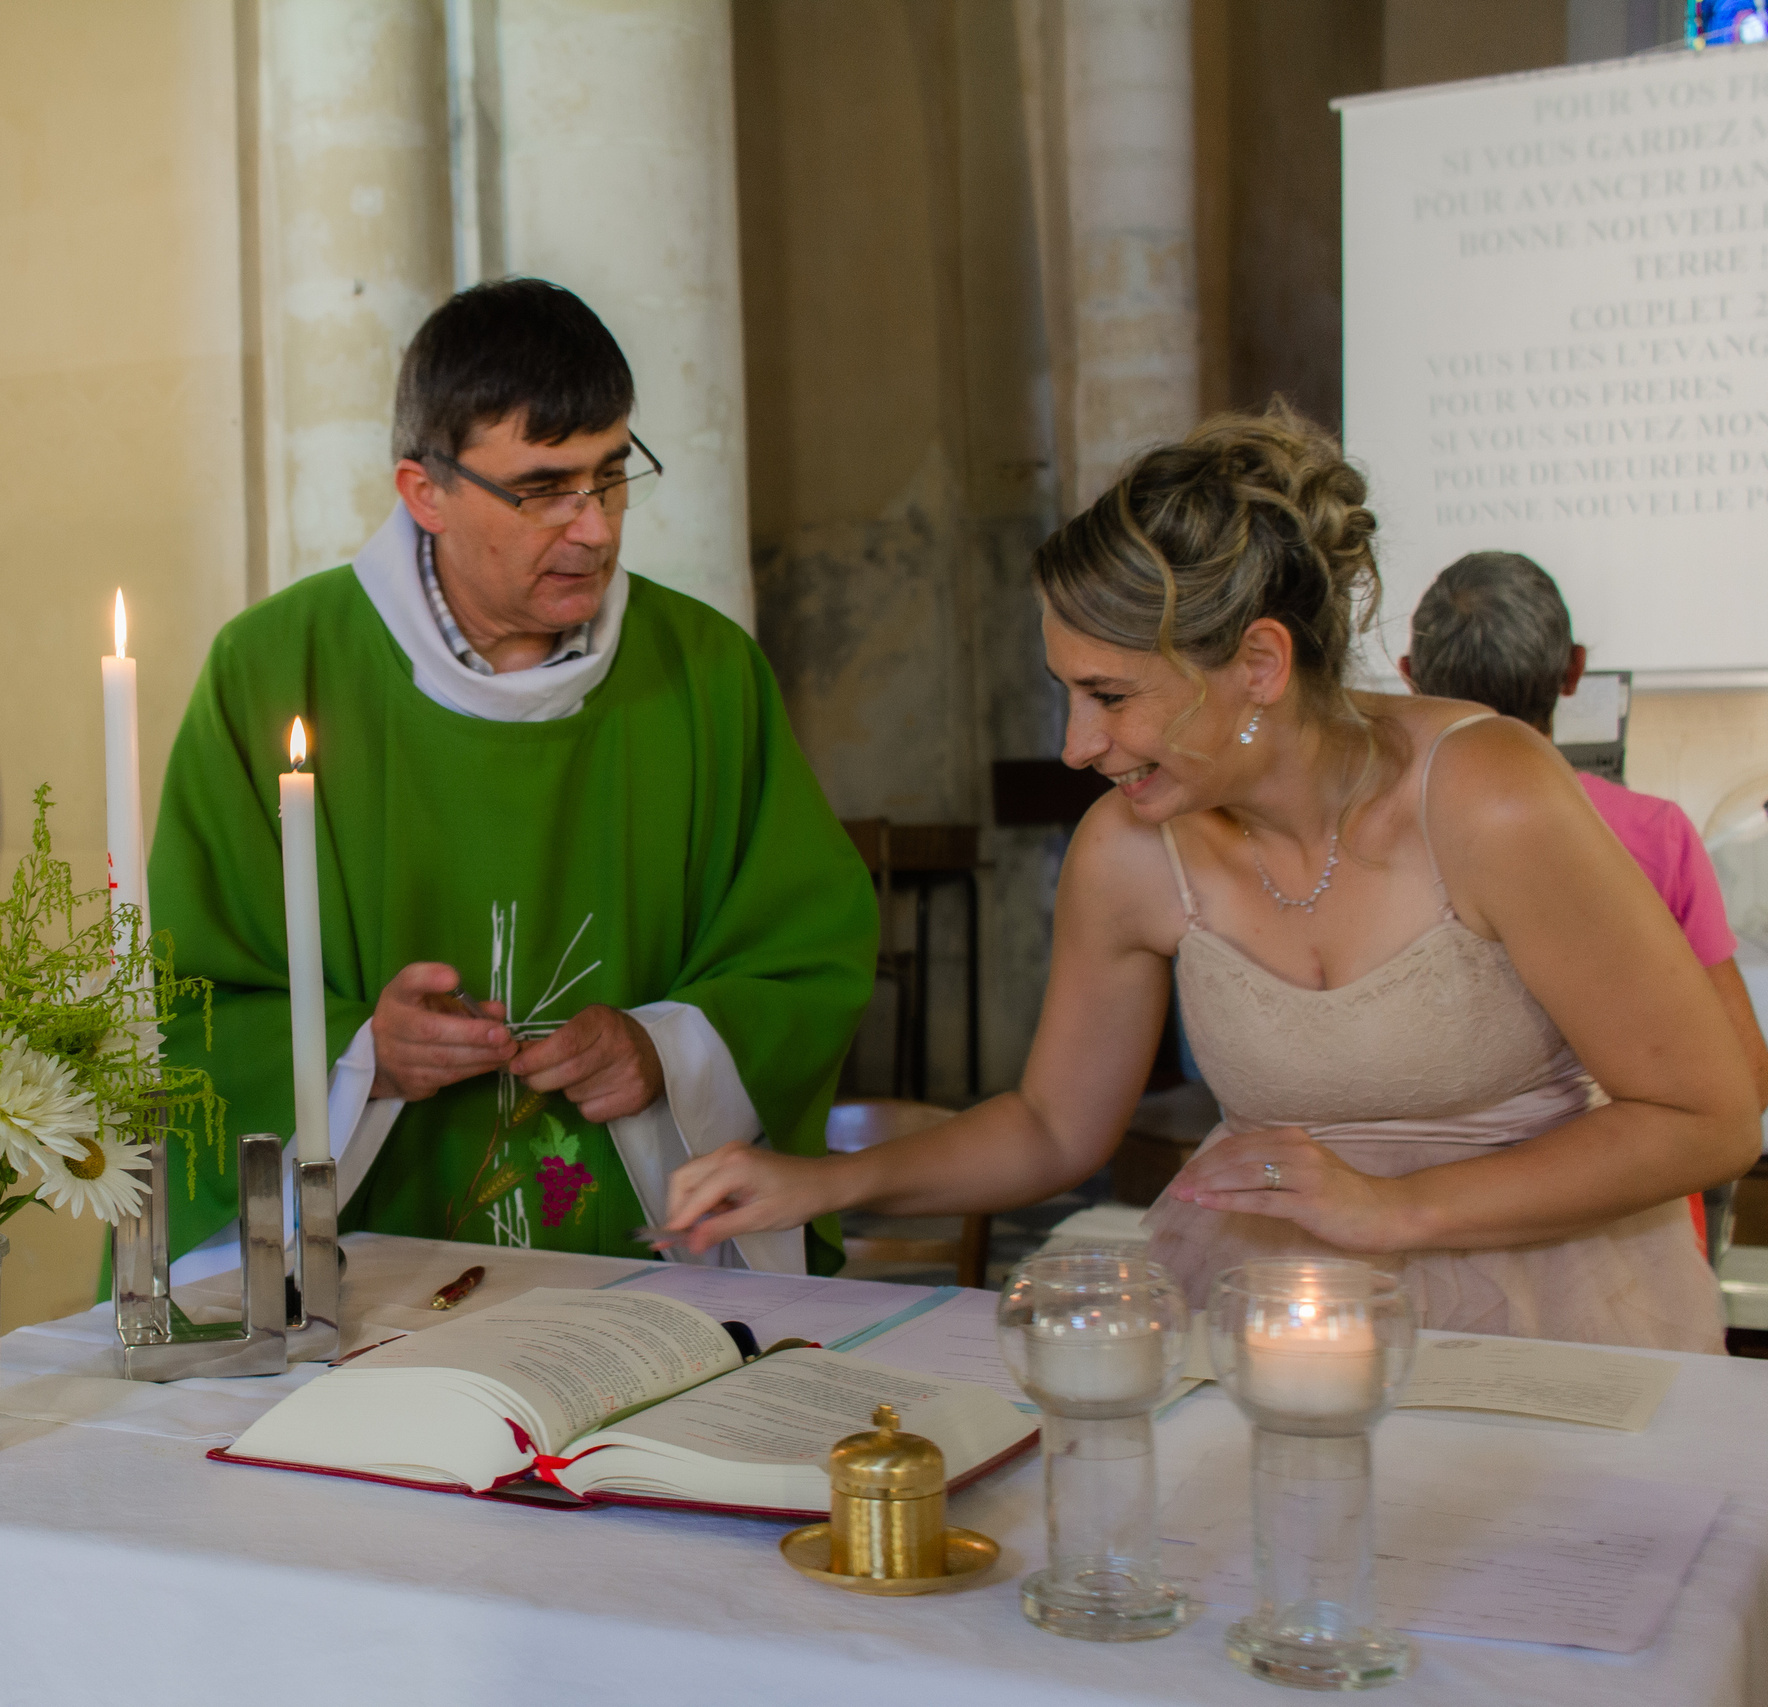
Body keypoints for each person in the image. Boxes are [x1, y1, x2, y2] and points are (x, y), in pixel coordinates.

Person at [663, 405, 1754, 1351]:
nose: (1075, 746)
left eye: (1109, 696)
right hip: (1270, 1311)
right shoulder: (1126, 851)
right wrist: (821, 1182)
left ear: (1258, 668)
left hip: (1550, 1310)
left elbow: (1709, 1116)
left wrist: (1396, 1210)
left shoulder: (1487, 796)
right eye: (1066, 695)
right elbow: (1053, 1127)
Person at [147, 279, 875, 1274]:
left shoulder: (704, 671)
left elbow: (807, 956)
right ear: (423, 491)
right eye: (543, 489)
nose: (596, 529)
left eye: (611, 475)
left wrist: (664, 1050)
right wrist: (362, 1055)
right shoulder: (273, 670)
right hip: (362, 1281)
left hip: (647, 1276)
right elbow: (192, 1006)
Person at [1402, 551, 1768, 1253]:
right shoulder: (1652, 833)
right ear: (1574, 670)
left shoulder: (1365, 841)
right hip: (1625, 1216)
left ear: (1408, 674)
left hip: (1422, 1205)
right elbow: (1744, 1078)